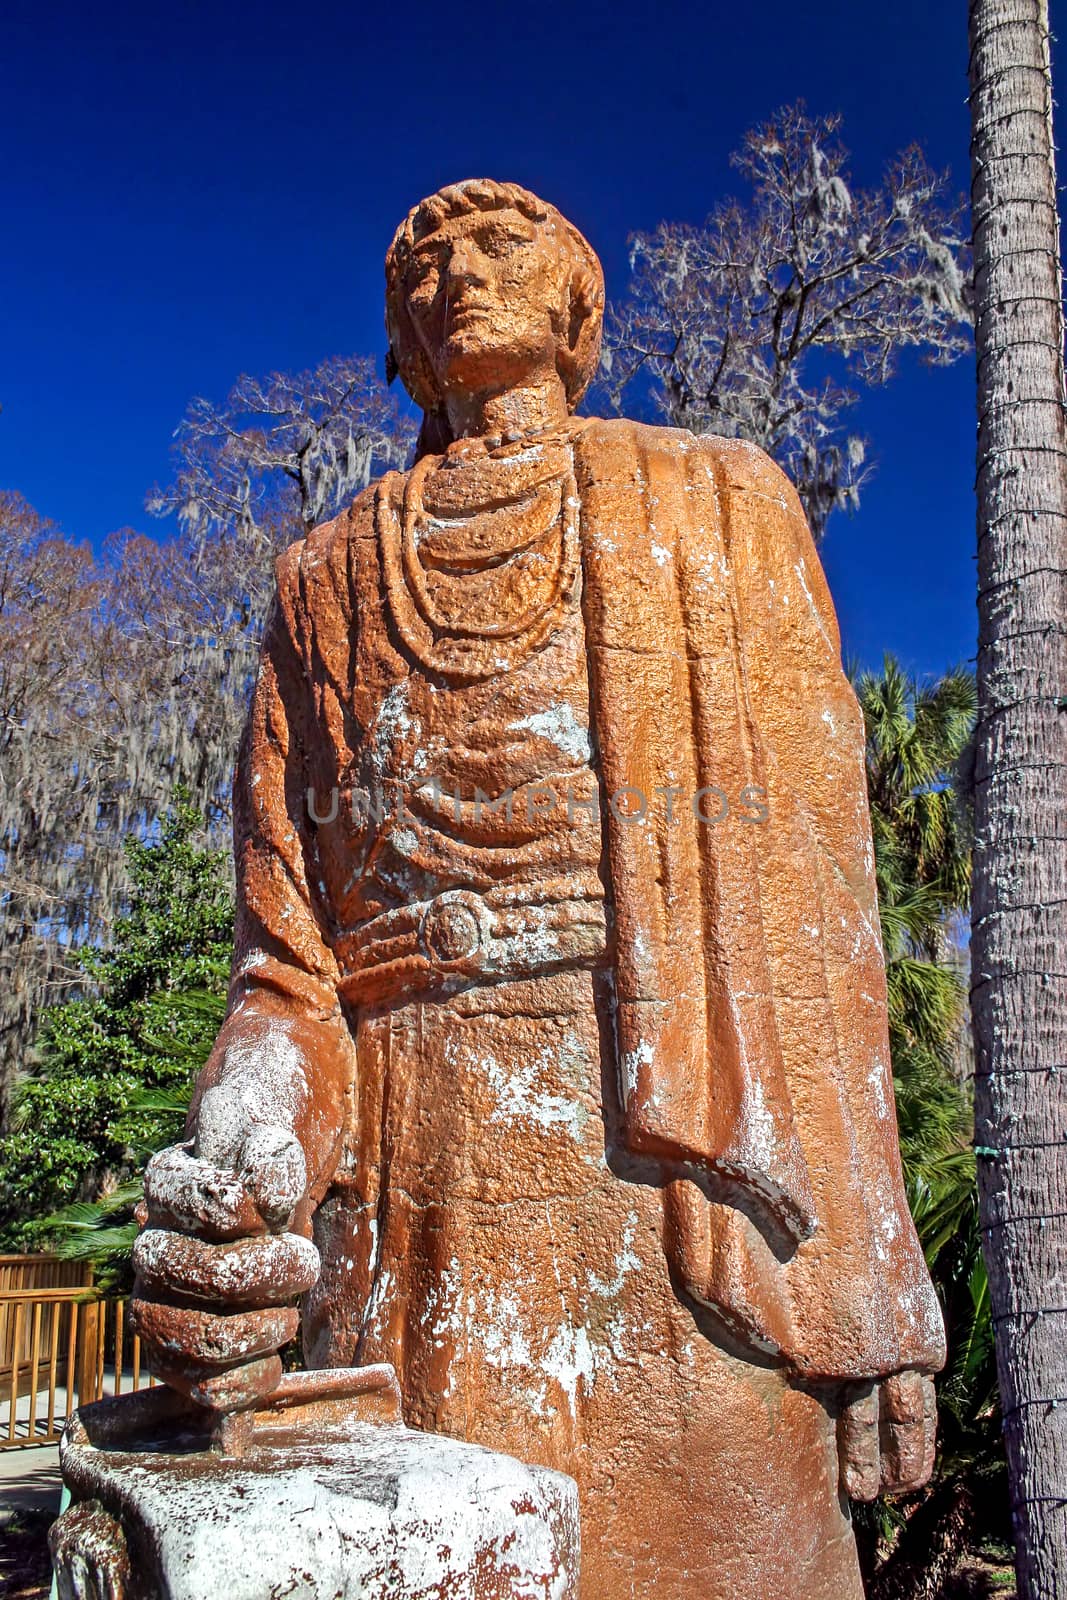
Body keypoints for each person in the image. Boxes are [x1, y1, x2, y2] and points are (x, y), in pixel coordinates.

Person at [133, 180, 944, 1599]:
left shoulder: (720, 503)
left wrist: (877, 1305)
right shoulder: (322, 581)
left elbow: (823, 929)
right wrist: (249, 1145)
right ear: (399, 342)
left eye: (501, 244)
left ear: (581, 301)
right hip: (412, 1194)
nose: (458, 274)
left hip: (687, 1198)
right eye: (423, 264)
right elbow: (291, 969)